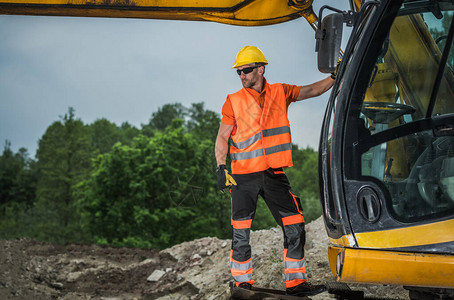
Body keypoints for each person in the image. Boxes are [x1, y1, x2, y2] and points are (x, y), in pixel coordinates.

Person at [215, 46, 336, 297]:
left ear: (260, 69)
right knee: (241, 230)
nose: (242, 76)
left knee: (295, 225)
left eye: (246, 70)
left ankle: (296, 283)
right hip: (242, 177)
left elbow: (313, 90)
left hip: (273, 174)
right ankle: (242, 284)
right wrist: (220, 167)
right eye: (238, 72)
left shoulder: (281, 91)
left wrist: (336, 76)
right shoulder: (233, 101)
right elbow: (222, 137)